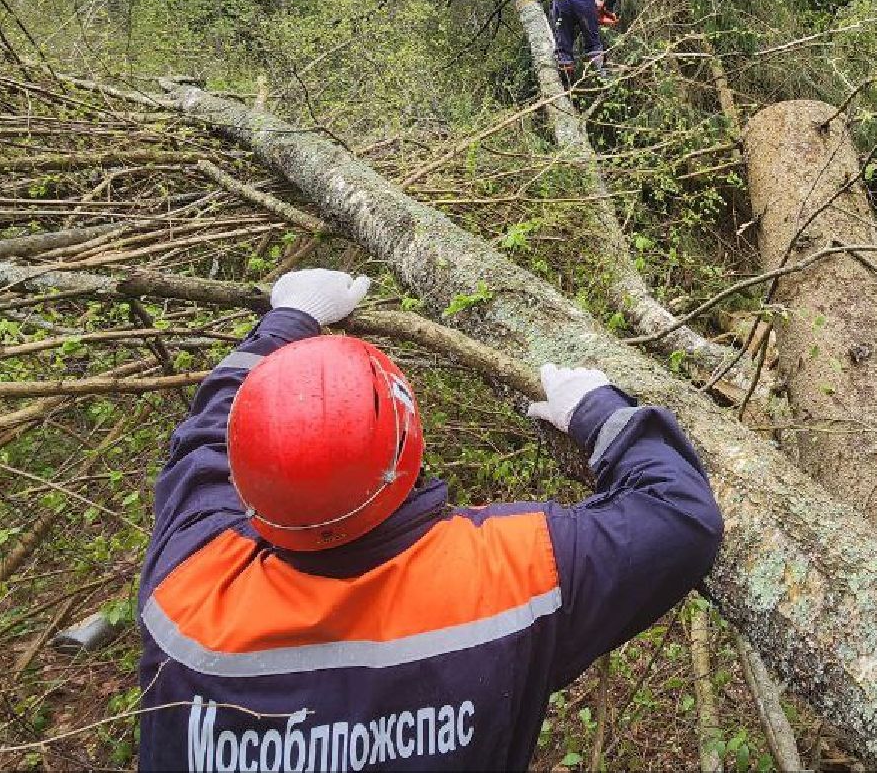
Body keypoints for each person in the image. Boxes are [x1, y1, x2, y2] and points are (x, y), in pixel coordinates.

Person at [136, 269, 723, 771]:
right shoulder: (504, 580)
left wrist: (290, 317)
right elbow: (677, 516)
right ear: (406, 442)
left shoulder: (189, 591)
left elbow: (206, 441)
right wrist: (600, 411)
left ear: (246, 479)